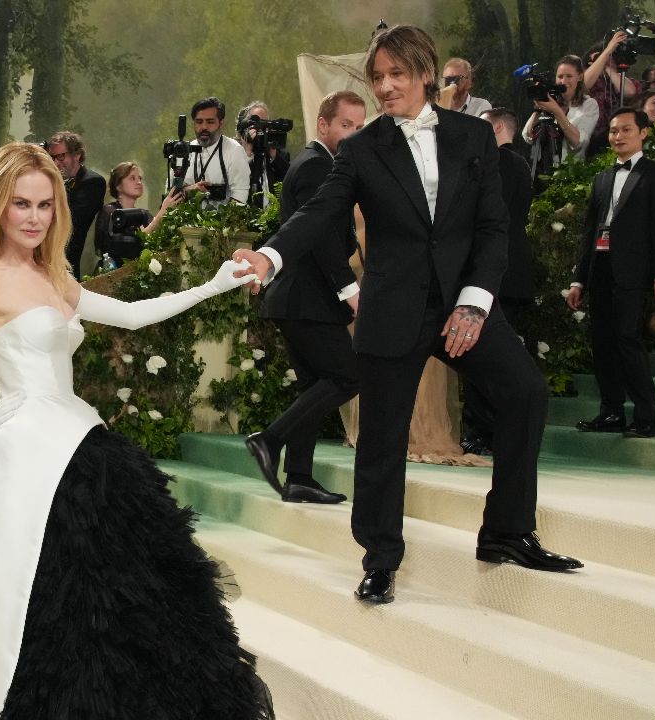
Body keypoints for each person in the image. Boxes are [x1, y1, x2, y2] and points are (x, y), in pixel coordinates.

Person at [0, 142, 273, 719]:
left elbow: (135, 315)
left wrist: (212, 285)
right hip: (24, 462)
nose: (34, 217)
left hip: (84, 446)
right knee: (40, 605)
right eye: (21, 204)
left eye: (44, 204)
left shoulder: (56, 280)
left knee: (121, 601)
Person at [234, 24, 583, 605]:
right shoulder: (362, 148)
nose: (385, 86)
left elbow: (494, 228)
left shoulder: (474, 137)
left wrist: (475, 302)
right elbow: (321, 213)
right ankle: (380, 557)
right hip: (392, 309)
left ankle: (506, 532)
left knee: (525, 392)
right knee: (382, 438)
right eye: (378, 77)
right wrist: (270, 256)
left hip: (461, 307)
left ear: (426, 72)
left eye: (396, 74)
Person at [245, 90, 366, 505]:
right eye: (345, 125)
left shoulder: (319, 164)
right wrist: (350, 290)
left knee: (314, 385)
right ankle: (270, 439)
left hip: (297, 299)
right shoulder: (317, 166)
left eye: (358, 127)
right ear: (323, 124)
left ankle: (298, 477)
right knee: (349, 375)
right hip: (307, 299)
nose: (352, 134)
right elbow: (320, 240)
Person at [567, 108, 655, 440]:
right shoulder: (601, 178)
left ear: (643, 133)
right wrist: (578, 279)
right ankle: (611, 412)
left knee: (627, 339)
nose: (617, 136)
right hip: (599, 268)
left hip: (633, 271)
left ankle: (646, 417)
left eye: (625, 130)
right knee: (602, 342)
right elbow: (590, 231)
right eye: (613, 131)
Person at [460, 108, 536, 456]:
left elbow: (488, 220)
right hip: (512, 272)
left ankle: (486, 431)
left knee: (482, 356)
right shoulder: (519, 164)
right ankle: (491, 430)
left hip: (496, 274)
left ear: (499, 127)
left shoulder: (502, 164)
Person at [94, 162, 183, 265]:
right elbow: (131, 247)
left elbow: (157, 241)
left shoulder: (144, 214)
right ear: (118, 185)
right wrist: (162, 213)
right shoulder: (111, 212)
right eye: (132, 178)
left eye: (140, 178)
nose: (139, 182)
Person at [521, 55, 600, 169]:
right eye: (560, 76)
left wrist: (557, 111)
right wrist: (538, 107)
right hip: (541, 169)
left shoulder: (589, 104)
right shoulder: (551, 100)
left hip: (569, 174)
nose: (563, 81)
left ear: (580, 77)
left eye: (569, 76)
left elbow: (578, 142)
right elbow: (528, 136)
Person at [45, 131, 106, 277]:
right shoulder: (50, 182)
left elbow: (72, 221)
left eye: (61, 156)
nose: (55, 163)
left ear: (77, 155)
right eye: (52, 157)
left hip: (70, 264)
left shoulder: (92, 182)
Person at [183, 97, 252, 206]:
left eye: (210, 122)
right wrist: (189, 190)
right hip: (185, 221)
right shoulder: (185, 151)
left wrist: (221, 221)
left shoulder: (234, 151)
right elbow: (170, 192)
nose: (204, 127)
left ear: (221, 123)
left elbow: (240, 196)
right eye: (199, 122)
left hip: (222, 222)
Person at [584, 32, 644, 156]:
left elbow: (630, 92)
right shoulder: (588, 80)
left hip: (619, 139)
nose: (607, 60)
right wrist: (605, 54)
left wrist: (609, 69)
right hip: (588, 139)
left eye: (611, 57)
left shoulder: (622, 79)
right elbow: (582, 86)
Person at [235, 101, 292, 207]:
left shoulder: (279, 154)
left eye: (265, 124)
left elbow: (290, 181)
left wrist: (273, 155)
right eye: (257, 123)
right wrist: (247, 154)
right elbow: (233, 182)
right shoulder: (234, 152)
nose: (262, 129)